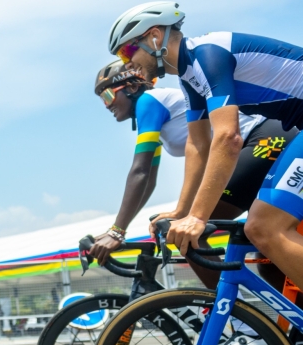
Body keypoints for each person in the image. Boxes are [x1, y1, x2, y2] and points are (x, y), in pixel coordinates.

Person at [87, 59, 293, 289]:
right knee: (269, 261)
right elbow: (148, 180)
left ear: (132, 88)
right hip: (262, 143)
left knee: (183, 229)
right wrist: (120, 229)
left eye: (107, 96)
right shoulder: (155, 115)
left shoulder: (148, 101)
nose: (106, 105)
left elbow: (140, 171)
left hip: (265, 139)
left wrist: (116, 232)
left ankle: (232, 315)